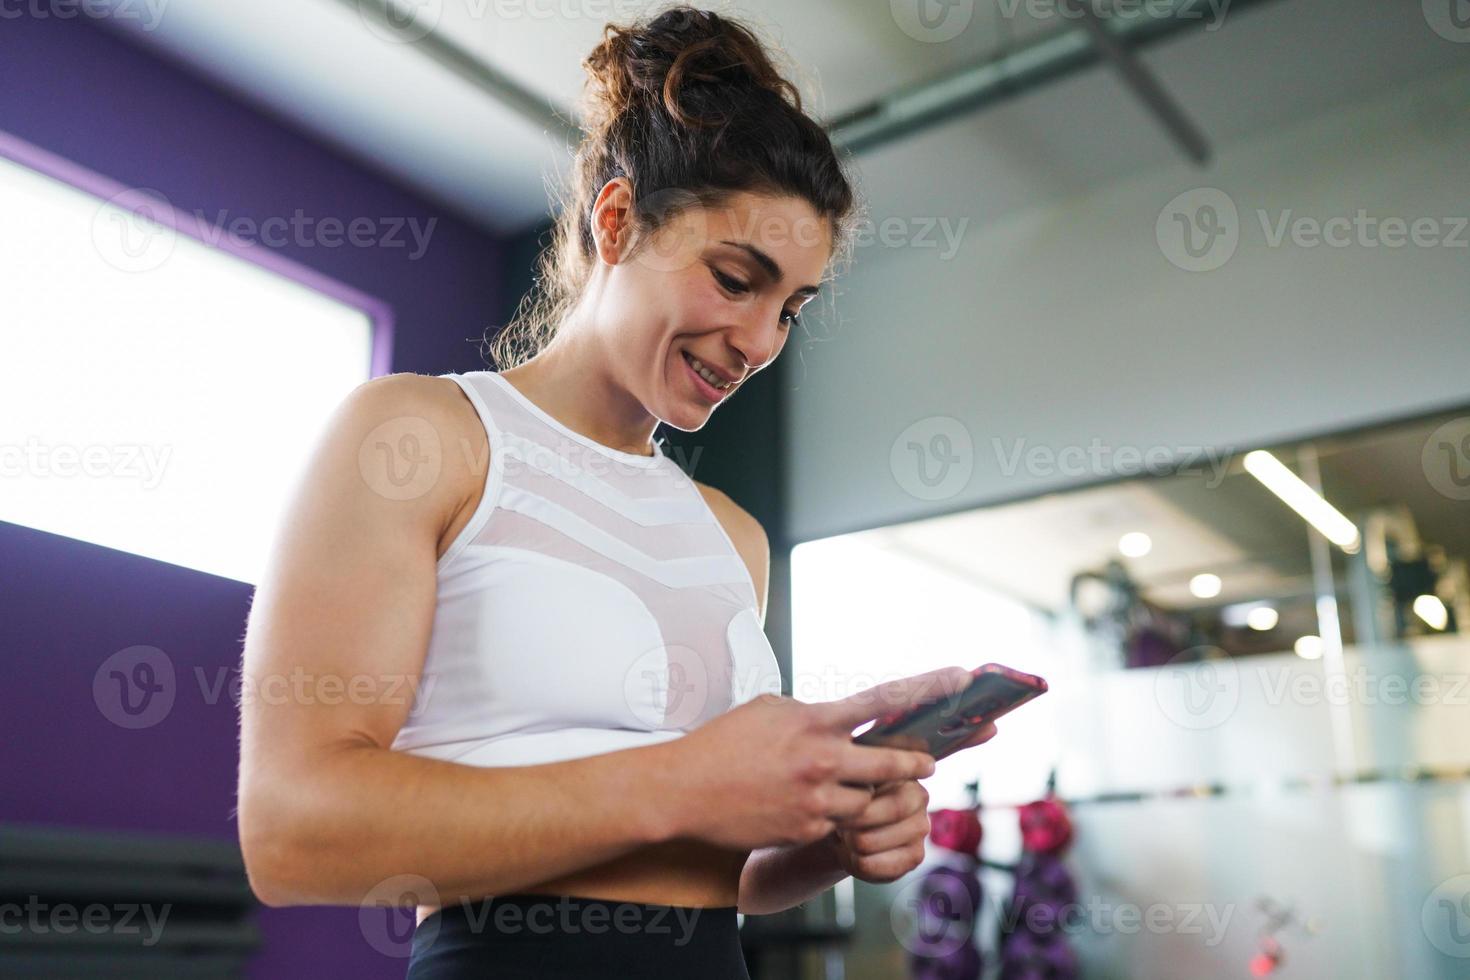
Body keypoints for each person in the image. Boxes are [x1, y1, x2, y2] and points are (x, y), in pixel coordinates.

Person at [235, 5, 997, 977]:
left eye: (790, 309)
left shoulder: (734, 536)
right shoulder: (421, 436)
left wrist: (825, 835)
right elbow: (292, 831)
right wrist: (682, 780)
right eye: (735, 278)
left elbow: (722, 863)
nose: (761, 342)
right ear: (618, 220)